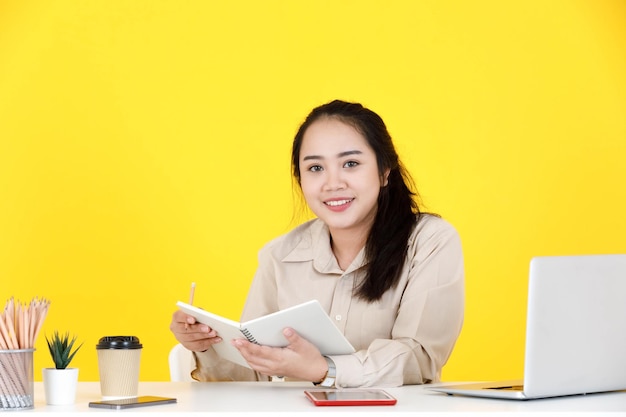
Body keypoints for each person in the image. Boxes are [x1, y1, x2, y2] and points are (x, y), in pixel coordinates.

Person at [169, 99, 464, 388]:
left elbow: (419, 358)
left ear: (385, 171)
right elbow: (254, 372)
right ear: (300, 179)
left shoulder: (429, 241)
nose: (332, 183)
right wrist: (205, 345)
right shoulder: (279, 255)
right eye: (315, 168)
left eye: (351, 163)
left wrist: (326, 369)